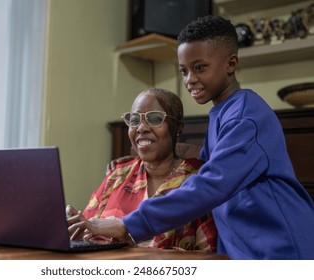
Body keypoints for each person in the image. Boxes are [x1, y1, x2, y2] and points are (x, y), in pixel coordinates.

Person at [68, 15, 314, 260]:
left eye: (200, 68)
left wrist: (127, 224)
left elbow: (211, 184)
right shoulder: (222, 113)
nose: (190, 80)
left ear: (231, 64)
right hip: (246, 252)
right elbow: (208, 167)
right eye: (183, 71)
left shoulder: (245, 116)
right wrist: (138, 164)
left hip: (282, 249)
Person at [67, 87, 217, 252]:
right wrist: (73, 225)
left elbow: (210, 256)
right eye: (134, 120)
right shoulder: (118, 175)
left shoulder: (198, 180)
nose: (141, 128)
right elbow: (88, 233)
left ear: (178, 127)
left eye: (154, 119)